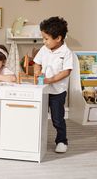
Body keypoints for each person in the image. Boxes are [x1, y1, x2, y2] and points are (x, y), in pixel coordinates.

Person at [33, 16, 73, 153]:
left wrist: (50, 80)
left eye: (46, 38)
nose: (44, 41)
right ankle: (37, 139)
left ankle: (62, 141)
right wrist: (37, 72)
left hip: (57, 92)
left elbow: (66, 72)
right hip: (43, 89)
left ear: (58, 38)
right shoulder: (44, 49)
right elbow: (37, 62)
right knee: (39, 115)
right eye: (43, 38)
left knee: (57, 118)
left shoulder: (66, 53)